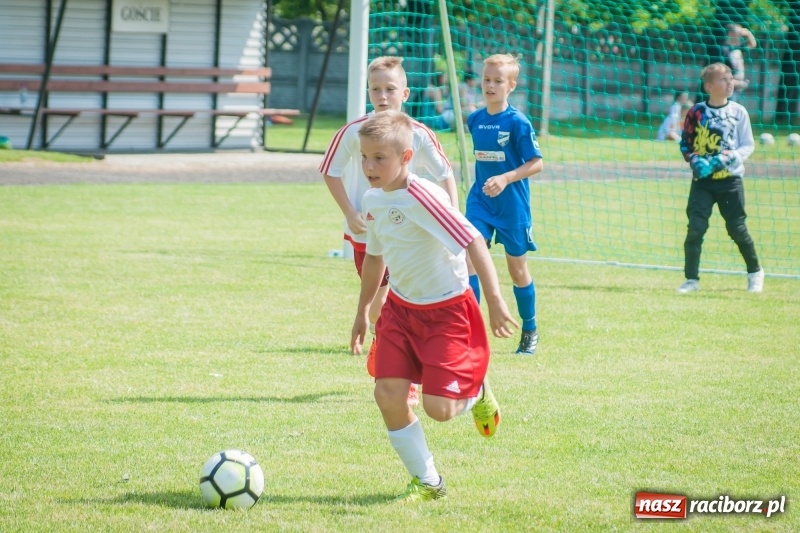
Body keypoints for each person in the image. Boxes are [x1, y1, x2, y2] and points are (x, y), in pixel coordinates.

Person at [350, 110, 518, 502]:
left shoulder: (424, 196)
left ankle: (477, 390)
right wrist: (362, 311)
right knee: (387, 395)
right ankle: (428, 481)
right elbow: (375, 256)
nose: (369, 167)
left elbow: (473, 240)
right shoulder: (372, 200)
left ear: (406, 157)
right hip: (400, 311)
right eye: (365, 157)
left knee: (440, 410)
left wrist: (494, 300)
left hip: (447, 312)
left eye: (379, 158)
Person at [319, 56, 459, 406]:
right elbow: (329, 171)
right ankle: (385, 341)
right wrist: (350, 213)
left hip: (409, 234)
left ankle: (404, 374)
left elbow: (445, 174)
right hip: (367, 234)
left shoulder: (419, 133)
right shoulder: (353, 132)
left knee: (397, 301)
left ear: (405, 93)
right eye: (376, 89)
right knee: (379, 305)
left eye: (390, 89)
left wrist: (451, 219)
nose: (382, 96)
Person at [464, 53, 544, 355]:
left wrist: (505, 178)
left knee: (517, 269)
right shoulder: (475, 119)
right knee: (468, 257)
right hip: (481, 201)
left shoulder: (517, 122)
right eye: (486, 79)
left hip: (512, 206)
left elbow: (537, 163)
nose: (490, 85)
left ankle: (530, 328)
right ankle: (471, 334)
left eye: (498, 81)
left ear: (511, 85)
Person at [678, 62, 764, 294]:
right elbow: (686, 143)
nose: (729, 83)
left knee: (736, 228)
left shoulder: (738, 112)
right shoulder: (696, 112)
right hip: (703, 183)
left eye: (730, 79)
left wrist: (728, 157)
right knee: (696, 228)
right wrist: (694, 160)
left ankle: (755, 272)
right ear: (709, 86)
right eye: (723, 79)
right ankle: (691, 279)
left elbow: (747, 145)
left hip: (730, 182)